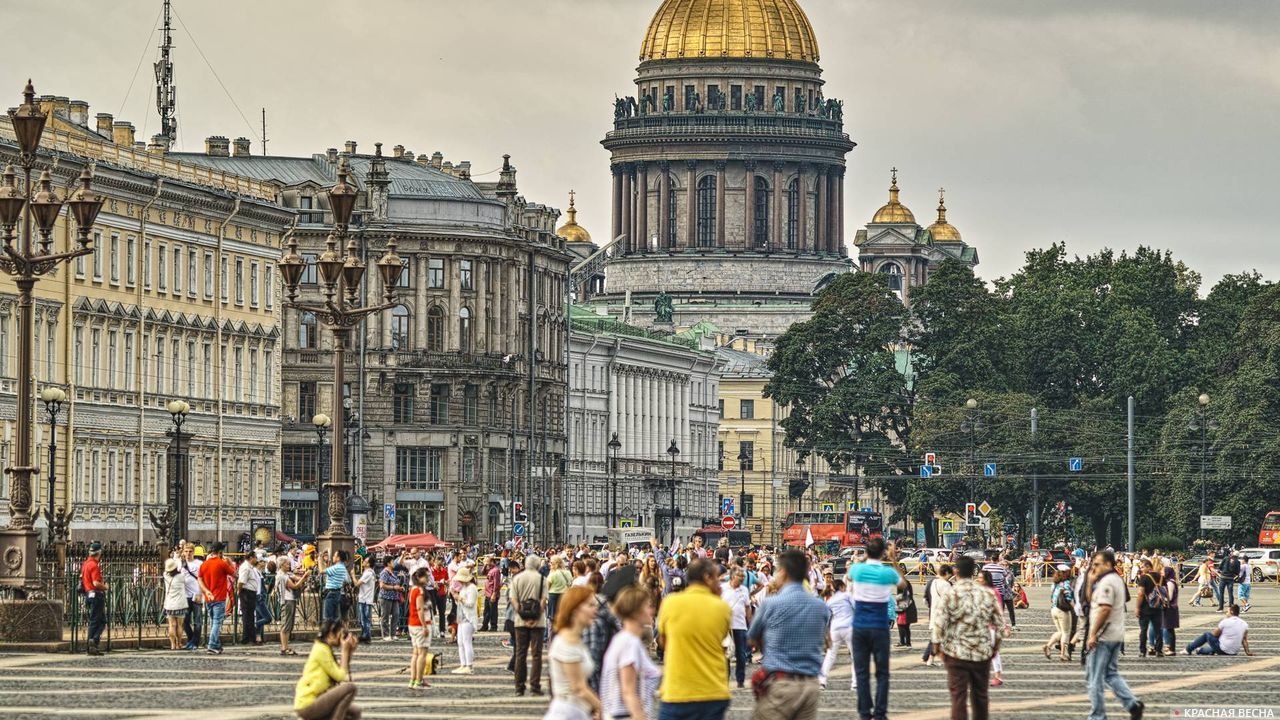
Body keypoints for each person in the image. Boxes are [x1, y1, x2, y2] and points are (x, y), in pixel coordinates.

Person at [748, 550, 829, 720]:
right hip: (810, 685)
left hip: (781, 683)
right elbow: (825, 641)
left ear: (783, 572)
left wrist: (767, 648)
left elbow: (752, 638)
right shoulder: (820, 607)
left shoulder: (771, 604)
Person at [656, 558, 731, 720]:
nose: (719, 581)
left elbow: (663, 641)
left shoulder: (670, 603)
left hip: (677, 690)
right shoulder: (722, 607)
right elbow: (720, 638)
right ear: (707, 577)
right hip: (712, 690)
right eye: (717, 577)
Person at [934, 556, 1004, 720]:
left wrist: (938, 648)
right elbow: (1000, 626)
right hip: (981, 652)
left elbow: (939, 624)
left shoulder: (951, 593)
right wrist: (994, 648)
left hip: (956, 654)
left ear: (956, 571)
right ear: (973, 572)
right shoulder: (987, 594)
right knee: (980, 696)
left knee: (958, 697)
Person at [846, 538, 908, 720]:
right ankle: (880, 713)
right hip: (880, 627)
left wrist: (864, 557)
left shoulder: (857, 569)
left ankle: (865, 713)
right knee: (882, 673)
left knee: (861, 671)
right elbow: (903, 584)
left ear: (867, 552)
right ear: (883, 553)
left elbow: (849, 576)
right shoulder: (887, 572)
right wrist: (894, 560)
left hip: (859, 627)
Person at [1084, 550, 1144, 720]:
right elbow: (1091, 601)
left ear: (1108, 564)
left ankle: (1097, 715)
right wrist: (1090, 582)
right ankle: (1132, 704)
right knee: (1110, 673)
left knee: (1094, 678)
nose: (1093, 567)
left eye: (1097, 564)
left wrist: (1093, 634)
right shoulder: (1111, 579)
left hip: (1104, 636)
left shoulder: (1108, 582)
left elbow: (1104, 608)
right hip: (1114, 634)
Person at [600, 585, 662, 720]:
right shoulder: (629, 643)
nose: (652, 610)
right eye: (648, 605)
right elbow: (628, 691)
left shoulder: (625, 640)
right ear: (636, 610)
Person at [545, 586, 603, 720]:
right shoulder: (566, 643)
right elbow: (579, 688)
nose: (596, 609)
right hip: (567, 711)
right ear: (576, 609)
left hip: (576, 710)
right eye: (590, 605)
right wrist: (601, 707)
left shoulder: (575, 640)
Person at [294, 620, 362, 720]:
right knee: (350, 688)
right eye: (341, 634)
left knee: (354, 712)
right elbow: (340, 677)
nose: (342, 639)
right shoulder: (320, 650)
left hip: (318, 698)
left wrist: (349, 652)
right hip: (308, 702)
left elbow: (340, 671)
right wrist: (344, 651)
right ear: (330, 634)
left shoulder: (325, 649)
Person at [510, 555, 550, 696]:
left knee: (520, 653)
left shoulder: (517, 579)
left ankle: (519, 687)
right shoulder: (542, 579)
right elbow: (543, 601)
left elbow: (514, 600)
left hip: (520, 622)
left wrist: (521, 614)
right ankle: (535, 686)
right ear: (538, 565)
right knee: (536, 654)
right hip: (538, 622)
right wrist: (536, 617)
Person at [198, 541, 235, 655]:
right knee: (217, 622)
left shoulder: (204, 564)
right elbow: (234, 574)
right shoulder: (221, 563)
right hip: (219, 597)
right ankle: (212, 645)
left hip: (208, 598)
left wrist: (206, 591)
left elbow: (199, 579)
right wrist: (228, 562)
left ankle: (217, 644)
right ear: (220, 552)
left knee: (212, 621)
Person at [721, 567, 753, 689]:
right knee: (726, 654)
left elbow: (748, 607)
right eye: (741, 576)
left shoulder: (744, 590)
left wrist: (750, 622)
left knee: (741, 654)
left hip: (740, 625)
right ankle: (725, 679)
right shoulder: (723, 588)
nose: (743, 578)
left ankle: (740, 679)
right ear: (733, 576)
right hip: (726, 626)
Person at [819, 579, 854, 690]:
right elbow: (857, 607)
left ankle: (822, 681)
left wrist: (826, 634)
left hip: (835, 628)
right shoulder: (847, 595)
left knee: (830, 656)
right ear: (842, 587)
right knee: (855, 656)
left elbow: (827, 618)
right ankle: (855, 683)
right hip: (849, 627)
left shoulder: (830, 601)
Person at [1186, 604, 1252, 656]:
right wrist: (1247, 652)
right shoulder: (1244, 624)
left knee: (1207, 635)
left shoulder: (1225, 621)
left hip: (1223, 649)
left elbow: (1214, 635)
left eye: (1227, 612)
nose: (1226, 613)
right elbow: (1244, 640)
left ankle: (1188, 649)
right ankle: (1200, 650)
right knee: (1213, 648)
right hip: (1234, 652)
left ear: (1231, 612)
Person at [407, 567, 434, 690]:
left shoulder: (412, 589)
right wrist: (424, 626)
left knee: (416, 653)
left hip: (412, 624)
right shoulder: (419, 591)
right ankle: (418, 680)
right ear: (419, 577)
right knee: (422, 653)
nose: (428, 579)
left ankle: (414, 679)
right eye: (426, 577)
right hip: (420, 624)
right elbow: (420, 609)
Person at [921, 564, 953, 667]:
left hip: (934, 612)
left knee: (937, 637)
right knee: (941, 638)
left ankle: (930, 658)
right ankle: (932, 658)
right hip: (944, 614)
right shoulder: (946, 584)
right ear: (947, 573)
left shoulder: (933, 582)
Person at [81, 542, 108, 656]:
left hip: (88, 594)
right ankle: (93, 640)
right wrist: (105, 587)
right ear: (99, 553)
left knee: (94, 620)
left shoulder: (86, 564)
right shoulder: (94, 565)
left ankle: (90, 644)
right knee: (100, 621)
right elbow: (96, 583)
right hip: (96, 594)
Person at [1134, 559, 1165, 658]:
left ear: (1148, 567)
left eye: (1142, 567)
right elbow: (1164, 591)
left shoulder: (1144, 578)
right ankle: (1159, 650)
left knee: (1143, 630)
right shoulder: (1161, 577)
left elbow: (1140, 594)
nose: (1141, 569)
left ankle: (1142, 651)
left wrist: (1137, 607)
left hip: (1145, 607)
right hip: (1158, 607)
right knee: (1158, 629)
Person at [453, 565, 479, 674]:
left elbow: (470, 604)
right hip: (461, 617)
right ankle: (463, 664)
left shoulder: (472, 588)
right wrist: (457, 599)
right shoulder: (464, 588)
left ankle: (469, 665)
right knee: (460, 642)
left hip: (468, 618)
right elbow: (461, 603)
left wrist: (460, 599)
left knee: (467, 642)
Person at [1044, 567, 1074, 661]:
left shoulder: (1054, 584)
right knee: (1066, 632)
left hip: (1054, 609)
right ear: (1065, 573)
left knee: (1060, 632)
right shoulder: (1066, 583)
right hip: (1063, 610)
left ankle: (1048, 646)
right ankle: (1063, 654)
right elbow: (1069, 598)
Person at [180, 544, 206, 650]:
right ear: (183, 552)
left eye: (190, 551)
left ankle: (195, 643)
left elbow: (203, 579)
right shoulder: (180, 564)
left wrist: (201, 593)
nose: (188, 553)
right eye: (186, 551)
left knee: (197, 621)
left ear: (193, 552)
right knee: (184, 620)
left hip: (196, 595)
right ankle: (191, 639)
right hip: (185, 596)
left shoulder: (199, 564)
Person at [279, 556, 306, 656]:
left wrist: (303, 577)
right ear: (281, 565)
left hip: (291, 599)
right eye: (286, 564)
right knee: (285, 624)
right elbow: (294, 586)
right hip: (286, 600)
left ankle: (286, 646)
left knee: (289, 624)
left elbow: (296, 578)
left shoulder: (287, 574)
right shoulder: (282, 576)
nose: (289, 565)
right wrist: (303, 578)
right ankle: (284, 647)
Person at [162, 557, 188, 650]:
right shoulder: (181, 577)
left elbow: (165, 571)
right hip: (180, 604)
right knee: (179, 625)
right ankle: (179, 643)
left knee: (172, 625)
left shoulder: (165, 576)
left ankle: (172, 644)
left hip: (169, 604)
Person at [237, 553, 262, 647]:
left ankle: (249, 637)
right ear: (251, 558)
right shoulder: (246, 567)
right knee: (247, 616)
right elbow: (241, 581)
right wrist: (239, 592)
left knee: (250, 616)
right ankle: (247, 637)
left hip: (250, 592)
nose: (256, 560)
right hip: (246, 592)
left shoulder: (249, 567)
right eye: (255, 557)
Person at [377, 556, 402, 642]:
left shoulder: (393, 572)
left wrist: (399, 588)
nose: (393, 563)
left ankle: (393, 634)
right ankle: (386, 635)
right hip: (385, 597)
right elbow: (382, 585)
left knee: (396, 614)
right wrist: (394, 587)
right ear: (388, 563)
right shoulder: (385, 572)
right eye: (392, 562)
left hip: (394, 597)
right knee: (385, 616)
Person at [322, 551, 351, 623]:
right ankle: (334, 633)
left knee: (328, 618)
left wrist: (319, 559)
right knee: (335, 618)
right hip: (337, 593)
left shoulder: (336, 567)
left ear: (338, 558)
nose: (333, 557)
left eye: (334, 556)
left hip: (331, 593)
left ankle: (329, 633)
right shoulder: (342, 567)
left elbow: (321, 571)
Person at [354, 561, 376, 643]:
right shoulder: (370, 573)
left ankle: (366, 636)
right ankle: (365, 635)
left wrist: (353, 575)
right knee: (364, 619)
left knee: (364, 619)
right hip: (366, 598)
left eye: (366, 561)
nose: (363, 562)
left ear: (369, 564)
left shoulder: (368, 573)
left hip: (365, 599)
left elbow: (357, 584)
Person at [895, 575, 917, 648]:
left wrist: (897, 600)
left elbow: (901, 596)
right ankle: (907, 642)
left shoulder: (902, 585)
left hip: (903, 608)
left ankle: (903, 642)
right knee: (906, 626)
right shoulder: (907, 584)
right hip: (909, 608)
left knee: (901, 625)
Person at [483, 557, 502, 632]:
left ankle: (493, 626)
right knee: (486, 611)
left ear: (491, 562)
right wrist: (485, 566)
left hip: (492, 593)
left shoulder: (496, 570)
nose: (486, 563)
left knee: (493, 611)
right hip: (487, 593)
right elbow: (483, 573)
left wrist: (494, 593)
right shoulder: (489, 569)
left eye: (487, 561)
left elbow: (496, 583)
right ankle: (485, 625)